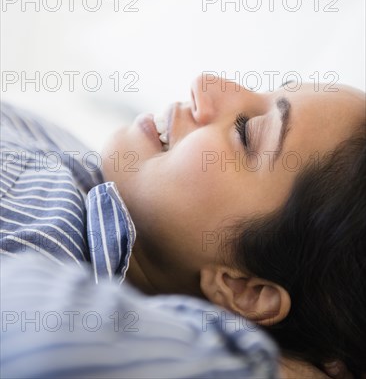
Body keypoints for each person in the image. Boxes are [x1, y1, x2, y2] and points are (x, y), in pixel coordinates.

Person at [1, 73, 365, 378]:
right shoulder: (95, 170)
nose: (207, 84)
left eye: (246, 131)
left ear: (245, 291)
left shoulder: (46, 272)